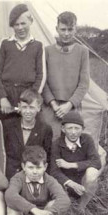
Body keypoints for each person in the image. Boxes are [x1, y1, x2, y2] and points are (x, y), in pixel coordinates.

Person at [0, 3, 45, 122]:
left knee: (26, 130)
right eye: (16, 24)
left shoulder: (38, 45)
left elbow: (41, 75)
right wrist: (2, 97)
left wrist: (31, 99)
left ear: (30, 22)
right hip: (7, 94)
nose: (20, 28)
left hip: (28, 94)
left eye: (23, 23)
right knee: (4, 130)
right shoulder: (5, 43)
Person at [42, 11, 89, 140]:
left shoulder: (83, 51)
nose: (66, 33)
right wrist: (54, 104)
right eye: (63, 29)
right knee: (49, 142)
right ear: (57, 29)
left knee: (70, 144)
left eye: (70, 29)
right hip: (50, 108)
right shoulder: (47, 51)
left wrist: (69, 104)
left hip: (72, 108)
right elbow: (43, 81)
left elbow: (84, 83)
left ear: (75, 29)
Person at [51, 111, 101, 211]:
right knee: (63, 204)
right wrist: (72, 184)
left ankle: (81, 208)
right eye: (70, 128)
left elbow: (96, 162)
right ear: (63, 129)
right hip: (65, 183)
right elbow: (54, 171)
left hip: (82, 182)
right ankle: (67, 208)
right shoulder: (56, 144)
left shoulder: (87, 139)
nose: (73, 132)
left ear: (82, 129)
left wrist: (71, 165)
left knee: (93, 172)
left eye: (77, 128)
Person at [3, 89, 52, 179]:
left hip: (33, 176)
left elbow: (47, 157)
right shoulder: (8, 126)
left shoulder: (45, 129)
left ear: (38, 108)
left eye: (31, 107)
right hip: (10, 175)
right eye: (24, 107)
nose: (28, 111)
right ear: (19, 106)